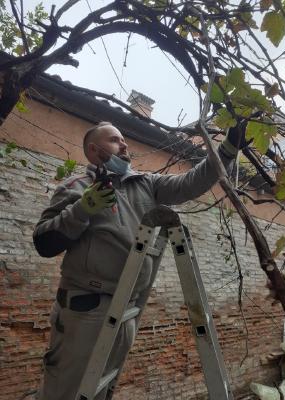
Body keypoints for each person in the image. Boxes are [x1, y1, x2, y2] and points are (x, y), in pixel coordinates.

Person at [33, 121, 247, 400]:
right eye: (114, 140)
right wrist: (84, 207)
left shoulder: (145, 183)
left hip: (125, 310)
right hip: (85, 311)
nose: (124, 145)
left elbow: (191, 183)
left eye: (123, 140)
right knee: (64, 391)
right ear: (94, 150)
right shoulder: (76, 187)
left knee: (97, 393)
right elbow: (43, 242)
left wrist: (228, 148)